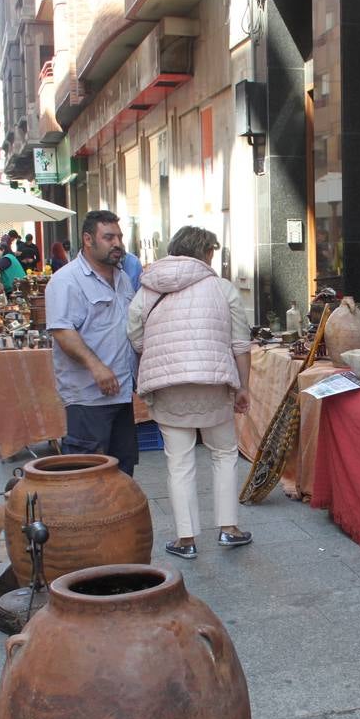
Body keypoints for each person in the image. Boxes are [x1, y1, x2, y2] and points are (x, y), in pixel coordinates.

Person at [128, 226, 252, 559]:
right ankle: (228, 529)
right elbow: (240, 343)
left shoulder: (148, 288)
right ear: (205, 252)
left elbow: (136, 337)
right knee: (224, 452)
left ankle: (186, 539)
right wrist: (243, 386)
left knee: (179, 461)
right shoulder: (222, 288)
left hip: (167, 385)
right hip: (212, 382)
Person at [45, 210, 138, 475]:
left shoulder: (121, 278)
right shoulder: (66, 280)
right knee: (88, 474)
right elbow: (63, 331)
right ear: (88, 239)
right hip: (88, 397)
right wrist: (96, 367)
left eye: (119, 237)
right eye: (108, 237)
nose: (117, 243)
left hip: (121, 392)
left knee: (122, 473)